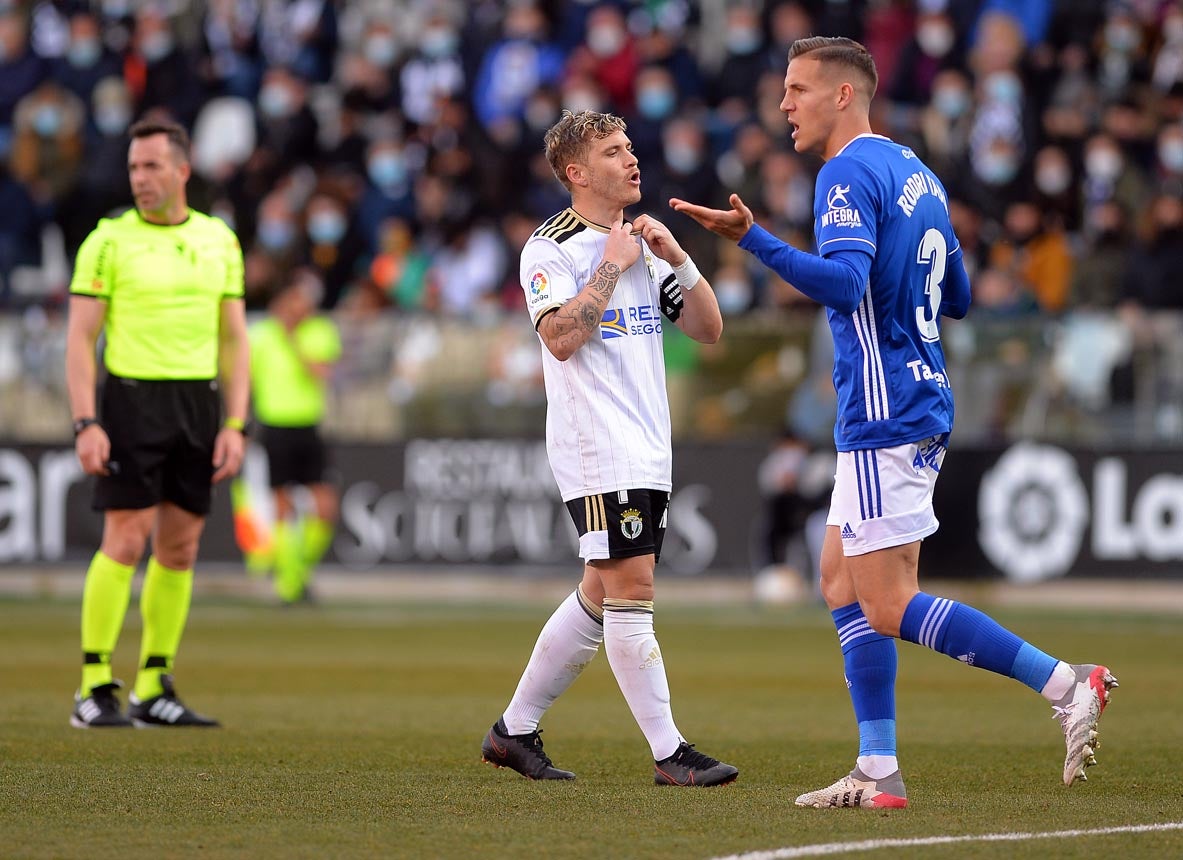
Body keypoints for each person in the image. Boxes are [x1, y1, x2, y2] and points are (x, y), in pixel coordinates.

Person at [671, 37, 1117, 808]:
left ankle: (1064, 682)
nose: (784, 105)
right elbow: (962, 297)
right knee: (838, 578)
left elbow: (844, 286)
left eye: (797, 89)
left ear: (844, 95)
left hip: (885, 408)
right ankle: (876, 768)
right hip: (912, 393)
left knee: (884, 600)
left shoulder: (843, 172)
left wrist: (753, 242)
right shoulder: (916, 171)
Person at [480, 109, 736, 787]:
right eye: (613, 151)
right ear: (576, 172)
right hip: (596, 445)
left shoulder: (644, 246)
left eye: (629, 148)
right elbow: (560, 338)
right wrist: (608, 268)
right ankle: (668, 752)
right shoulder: (551, 247)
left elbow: (708, 330)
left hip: (647, 444)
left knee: (600, 591)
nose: (631, 160)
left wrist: (675, 255)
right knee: (633, 585)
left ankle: (513, 730)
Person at [65, 118, 249, 728]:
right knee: (124, 536)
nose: (140, 179)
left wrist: (236, 423)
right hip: (130, 401)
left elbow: (235, 340)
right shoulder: (107, 241)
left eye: (151, 167)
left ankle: (153, 685)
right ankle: (94, 684)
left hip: (197, 405)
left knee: (180, 545)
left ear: (182, 171)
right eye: (134, 168)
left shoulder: (219, 240)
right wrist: (85, 421)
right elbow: (80, 339)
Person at [245, 267, 341, 603]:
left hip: (308, 425)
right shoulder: (259, 335)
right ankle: (289, 583)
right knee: (282, 505)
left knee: (325, 506)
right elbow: (247, 380)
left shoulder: (319, 331)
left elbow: (320, 373)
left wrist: (293, 339)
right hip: (275, 427)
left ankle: (298, 568)